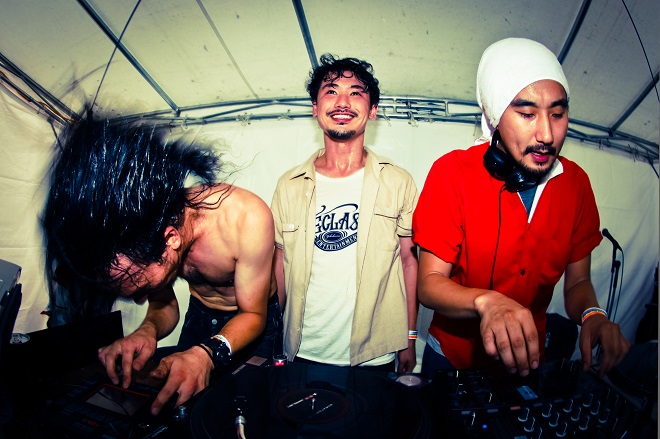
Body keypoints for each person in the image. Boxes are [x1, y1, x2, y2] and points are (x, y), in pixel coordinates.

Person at [413, 38, 629, 379]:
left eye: (557, 114)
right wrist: (486, 301)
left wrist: (593, 315)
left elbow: (578, 282)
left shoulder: (576, 184)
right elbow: (429, 282)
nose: (547, 134)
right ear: (494, 116)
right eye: (527, 114)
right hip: (453, 360)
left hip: (528, 362)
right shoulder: (451, 173)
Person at [42, 110, 282, 415]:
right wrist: (148, 330)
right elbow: (164, 305)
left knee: (247, 413)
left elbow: (253, 314)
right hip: (201, 316)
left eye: (141, 285)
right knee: (187, 409)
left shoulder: (246, 218)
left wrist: (207, 354)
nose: (139, 299)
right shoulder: (146, 229)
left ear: (172, 239)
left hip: (252, 321)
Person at [271, 54, 419, 373]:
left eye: (355, 92)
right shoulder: (288, 185)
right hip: (302, 350)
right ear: (315, 107)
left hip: (375, 353)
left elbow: (409, 262)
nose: (342, 102)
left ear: (372, 110)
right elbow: (279, 264)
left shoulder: (398, 182)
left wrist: (410, 336)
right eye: (331, 91)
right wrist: (273, 332)